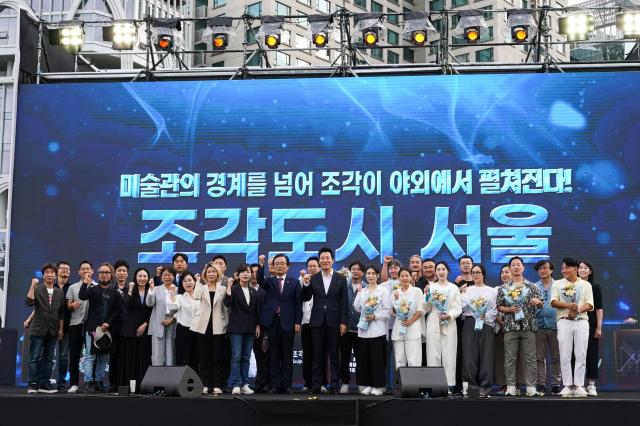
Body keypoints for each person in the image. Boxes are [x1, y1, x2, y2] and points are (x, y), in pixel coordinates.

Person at [302, 247, 348, 394]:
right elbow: (306, 297)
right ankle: (316, 385)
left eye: (327, 258)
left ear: (333, 260)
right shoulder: (313, 278)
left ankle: (334, 386)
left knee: (334, 354)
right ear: (319, 260)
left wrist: (343, 322)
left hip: (334, 322)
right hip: (316, 321)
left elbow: (344, 302)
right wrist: (306, 284)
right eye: (322, 258)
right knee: (317, 355)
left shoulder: (341, 278)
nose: (325, 260)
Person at [496, 256, 543, 397]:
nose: (516, 267)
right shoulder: (503, 288)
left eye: (518, 265)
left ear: (523, 267)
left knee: (530, 358)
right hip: (510, 326)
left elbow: (541, 304)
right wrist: (509, 310)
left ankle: (530, 387)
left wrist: (538, 302)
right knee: (510, 357)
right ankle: (511, 386)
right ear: (509, 269)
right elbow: (499, 306)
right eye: (513, 265)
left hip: (528, 326)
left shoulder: (532, 286)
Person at [257, 253, 302, 394]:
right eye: (277, 263)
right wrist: (261, 265)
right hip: (272, 322)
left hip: (288, 322)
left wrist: (297, 322)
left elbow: (298, 304)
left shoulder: (294, 282)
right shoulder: (269, 281)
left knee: (287, 354)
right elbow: (259, 280)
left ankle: (287, 385)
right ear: (273, 266)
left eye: (282, 263)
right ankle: (275, 384)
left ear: (288, 267)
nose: (279, 266)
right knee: (273, 354)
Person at [551, 257, 594, 398]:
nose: (564, 270)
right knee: (564, 354)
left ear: (575, 269)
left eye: (567, 268)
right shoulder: (557, 284)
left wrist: (578, 310)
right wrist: (569, 306)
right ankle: (568, 385)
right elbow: (554, 302)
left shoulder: (586, 285)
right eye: (562, 268)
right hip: (564, 321)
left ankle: (579, 386)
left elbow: (590, 304)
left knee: (581, 354)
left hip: (581, 321)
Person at [79, 262, 122, 393]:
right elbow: (82, 296)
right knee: (89, 356)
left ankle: (99, 381)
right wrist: (85, 283)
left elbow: (116, 311)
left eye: (107, 272)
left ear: (111, 275)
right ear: (98, 275)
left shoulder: (115, 293)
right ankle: (88, 382)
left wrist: (108, 323)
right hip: (92, 328)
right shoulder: (92, 289)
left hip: (107, 330)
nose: (104, 275)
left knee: (103, 357)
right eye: (101, 272)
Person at [25, 264, 65, 394]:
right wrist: (32, 285)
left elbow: (61, 313)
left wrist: (61, 329)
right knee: (34, 357)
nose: (49, 274)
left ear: (55, 275)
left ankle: (44, 383)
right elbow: (29, 302)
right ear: (43, 275)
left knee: (48, 359)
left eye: (52, 272)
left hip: (53, 330)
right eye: (47, 272)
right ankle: (33, 384)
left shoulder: (59, 292)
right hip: (38, 329)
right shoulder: (37, 288)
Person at [353, 265, 391, 396]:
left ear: (378, 275)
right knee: (364, 360)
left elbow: (387, 311)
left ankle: (379, 386)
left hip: (378, 331)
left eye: (373, 273)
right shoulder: (363, 290)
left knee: (377, 360)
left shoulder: (383, 291)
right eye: (368, 273)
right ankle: (367, 384)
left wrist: (375, 316)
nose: (370, 276)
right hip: (363, 331)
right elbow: (357, 308)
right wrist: (358, 293)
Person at [191, 262, 228, 395]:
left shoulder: (223, 289)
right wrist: (197, 283)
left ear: (217, 273)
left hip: (218, 326)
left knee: (217, 357)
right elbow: (195, 296)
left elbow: (226, 308)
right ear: (205, 274)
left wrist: (227, 325)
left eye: (213, 272)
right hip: (203, 326)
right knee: (204, 357)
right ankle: (205, 384)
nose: (211, 274)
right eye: (208, 272)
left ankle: (217, 384)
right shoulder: (201, 287)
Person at [461, 264, 497, 398]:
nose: (475, 275)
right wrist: (463, 293)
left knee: (486, 355)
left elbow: (494, 309)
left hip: (486, 323)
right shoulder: (468, 290)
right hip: (470, 322)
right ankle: (470, 387)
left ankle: (485, 388)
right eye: (473, 272)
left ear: (483, 274)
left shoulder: (491, 291)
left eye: (478, 272)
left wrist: (485, 316)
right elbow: (462, 307)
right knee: (469, 356)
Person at [425, 261, 462, 392]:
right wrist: (427, 297)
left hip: (449, 323)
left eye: (443, 269)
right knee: (433, 353)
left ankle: (448, 385)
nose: (441, 272)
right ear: (435, 272)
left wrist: (449, 315)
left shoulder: (454, 288)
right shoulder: (430, 287)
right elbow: (427, 308)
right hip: (434, 320)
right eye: (438, 269)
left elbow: (458, 308)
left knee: (449, 353)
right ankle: (434, 385)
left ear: (448, 271)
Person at [225, 263, 261, 395]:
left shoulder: (253, 291)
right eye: (243, 272)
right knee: (236, 356)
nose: (246, 274)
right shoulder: (234, 289)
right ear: (238, 274)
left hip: (250, 328)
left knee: (246, 357)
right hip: (236, 328)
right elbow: (227, 303)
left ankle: (245, 383)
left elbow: (256, 311)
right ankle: (236, 383)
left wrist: (257, 325)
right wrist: (229, 286)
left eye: (248, 272)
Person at [117, 267, 152, 391]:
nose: (142, 278)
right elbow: (125, 305)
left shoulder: (151, 291)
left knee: (143, 360)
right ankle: (128, 388)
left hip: (146, 331)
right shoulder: (130, 290)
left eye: (144, 276)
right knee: (129, 361)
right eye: (139, 276)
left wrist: (145, 324)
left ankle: (142, 387)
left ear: (148, 278)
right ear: (135, 278)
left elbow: (153, 311)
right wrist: (130, 290)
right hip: (129, 331)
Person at [65, 260, 95, 393]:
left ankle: (91, 383)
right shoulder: (72, 287)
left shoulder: (96, 286)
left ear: (92, 271)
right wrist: (71, 305)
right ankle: (74, 384)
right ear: (78, 272)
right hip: (76, 324)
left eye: (88, 269)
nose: (85, 271)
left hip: (92, 326)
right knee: (75, 355)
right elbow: (68, 305)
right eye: (83, 269)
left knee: (91, 355)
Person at [533, 260, 561, 396]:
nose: (542, 271)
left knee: (556, 357)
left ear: (551, 270)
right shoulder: (533, 287)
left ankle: (556, 384)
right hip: (539, 325)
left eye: (545, 268)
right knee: (539, 357)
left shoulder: (559, 285)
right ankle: (540, 383)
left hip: (556, 325)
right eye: (540, 269)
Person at [299, 256, 327, 392]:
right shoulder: (301, 281)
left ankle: (321, 382)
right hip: (306, 321)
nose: (312, 268)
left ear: (319, 266)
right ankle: (307, 382)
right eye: (309, 266)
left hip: (321, 322)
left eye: (314, 266)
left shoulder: (324, 281)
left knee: (320, 353)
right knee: (307, 353)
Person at [578, 260, 603, 397]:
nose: (582, 270)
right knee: (577, 355)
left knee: (592, 355)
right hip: (575, 324)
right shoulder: (572, 286)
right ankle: (578, 384)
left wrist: (598, 327)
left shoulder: (595, 286)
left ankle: (592, 385)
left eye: (585, 268)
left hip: (591, 325)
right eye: (580, 268)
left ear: (590, 271)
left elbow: (599, 308)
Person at [339, 261, 365, 393]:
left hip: (361, 329)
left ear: (363, 273)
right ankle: (345, 382)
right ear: (350, 271)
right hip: (345, 328)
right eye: (353, 269)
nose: (355, 271)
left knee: (361, 358)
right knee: (344, 357)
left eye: (358, 269)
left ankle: (361, 383)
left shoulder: (366, 287)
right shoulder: (343, 285)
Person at [391, 268, 424, 370]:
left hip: (413, 327)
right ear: (399, 278)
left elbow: (420, 310)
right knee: (399, 360)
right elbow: (394, 312)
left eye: (407, 276)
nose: (404, 278)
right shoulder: (395, 292)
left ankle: (414, 385)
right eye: (402, 276)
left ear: (411, 277)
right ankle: (400, 385)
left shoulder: (417, 291)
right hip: (399, 327)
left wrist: (410, 321)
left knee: (414, 360)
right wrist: (396, 299)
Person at [146, 266, 179, 367]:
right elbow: (149, 303)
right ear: (161, 276)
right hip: (158, 323)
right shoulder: (155, 289)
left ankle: (171, 380)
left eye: (170, 275)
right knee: (156, 355)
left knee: (171, 352)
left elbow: (181, 309)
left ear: (174, 276)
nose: (167, 277)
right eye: (165, 274)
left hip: (173, 323)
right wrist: (151, 289)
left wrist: (172, 319)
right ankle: (157, 381)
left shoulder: (178, 289)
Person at [452, 255, 474, 394]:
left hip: (475, 323)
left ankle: (473, 384)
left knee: (473, 354)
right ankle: (458, 385)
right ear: (459, 266)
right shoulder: (454, 284)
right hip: (459, 324)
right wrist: (459, 290)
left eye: (468, 263)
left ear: (472, 265)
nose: (465, 265)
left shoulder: (479, 281)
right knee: (459, 354)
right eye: (463, 263)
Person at [379, 256, 401, 392]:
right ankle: (385, 385)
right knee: (385, 358)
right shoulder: (382, 286)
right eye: (390, 268)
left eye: (396, 267)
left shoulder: (405, 282)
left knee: (399, 358)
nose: (393, 270)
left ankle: (398, 386)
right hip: (385, 326)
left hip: (400, 326)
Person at [108, 259, 129, 392]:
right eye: (119, 271)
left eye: (124, 271)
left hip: (128, 329)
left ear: (127, 274)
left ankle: (124, 383)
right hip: (113, 329)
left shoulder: (131, 289)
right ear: (115, 274)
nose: (122, 273)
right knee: (114, 356)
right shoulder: (110, 289)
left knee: (126, 357)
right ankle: (113, 383)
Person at [251, 262, 270, 393]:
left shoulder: (265, 290)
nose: (254, 275)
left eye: (257, 272)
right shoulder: (241, 288)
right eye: (251, 272)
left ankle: (262, 383)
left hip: (263, 328)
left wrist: (260, 325)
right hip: (246, 327)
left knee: (263, 356)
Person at [173, 272, 199, 371]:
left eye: (190, 280)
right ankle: (182, 384)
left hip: (198, 330)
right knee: (183, 358)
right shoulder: (179, 297)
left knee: (196, 358)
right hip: (183, 330)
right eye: (185, 281)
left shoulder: (200, 296)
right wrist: (172, 297)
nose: (188, 283)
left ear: (194, 282)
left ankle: (196, 384)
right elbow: (173, 309)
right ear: (181, 284)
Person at [53, 260, 72, 391]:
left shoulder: (73, 288)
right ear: (57, 271)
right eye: (62, 268)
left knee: (64, 357)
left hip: (67, 328)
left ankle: (61, 383)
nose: (65, 270)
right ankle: (43, 382)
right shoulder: (50, 287)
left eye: (67, 268)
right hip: (49, 327)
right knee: (47, 356)